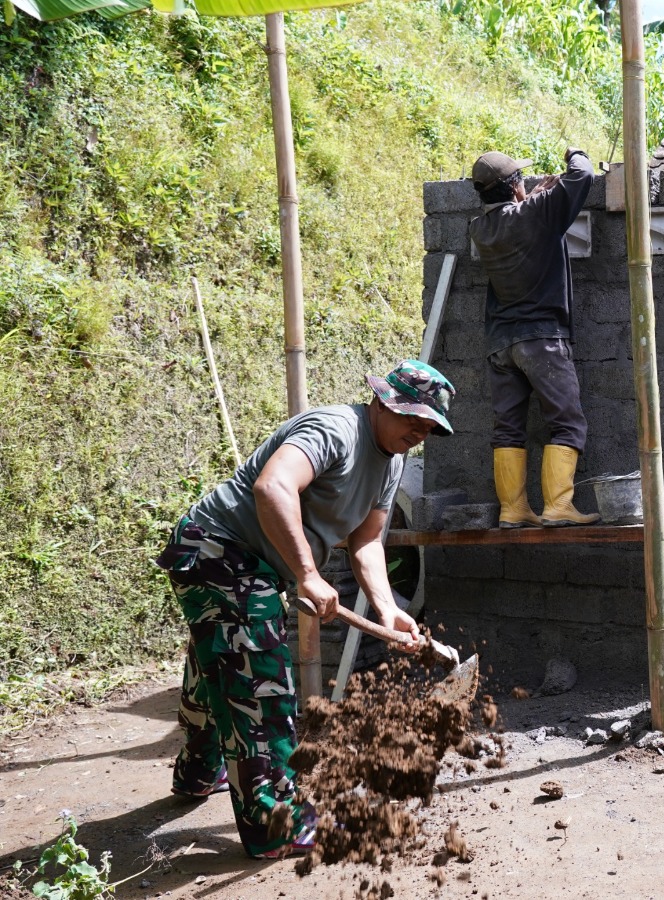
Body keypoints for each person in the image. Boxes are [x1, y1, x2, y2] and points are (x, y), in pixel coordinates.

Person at [154, 360, 455, 858]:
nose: (418, 434)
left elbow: (366, 542)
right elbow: (272, 487)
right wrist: (308, 574)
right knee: (261, 686)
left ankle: (197, 769)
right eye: (412, 420)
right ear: (382, 402)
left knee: (224, 661)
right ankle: (275, 824)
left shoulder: (393, 459)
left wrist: (387, 610)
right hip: (218, 548)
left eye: (428, 428)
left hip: (255, 565)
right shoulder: (334, 429)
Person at [469, 147, 600, 528]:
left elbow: (517, 218)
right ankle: (557, 506)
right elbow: (583, 175)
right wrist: (574, 152)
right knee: (567, 423)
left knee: (508, 427)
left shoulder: (480, 228)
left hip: (501, 344)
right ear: (515, 186)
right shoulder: (535, 213)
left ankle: (513, 509)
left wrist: (534, 197)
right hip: (541, 340)